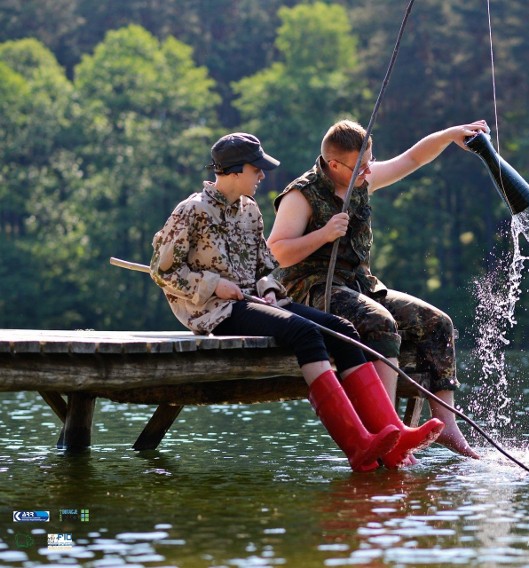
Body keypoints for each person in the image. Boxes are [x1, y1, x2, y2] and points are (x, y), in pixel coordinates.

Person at [150, 132, 444, 472]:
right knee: (304, 332)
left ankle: (391, 432)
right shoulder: (192, 211)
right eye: (255, 169)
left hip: (254, 301)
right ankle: (357, 444)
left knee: (342, 329)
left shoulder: (249, 212)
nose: (262, 176)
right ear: (233, 170)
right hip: (215, 311)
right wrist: (215, 285)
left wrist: (270, 289)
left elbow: (264, 268)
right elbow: (164, 272)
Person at [267, 119, 490, 460]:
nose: (369, 169)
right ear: (334, 164)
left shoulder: (361, 177)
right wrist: (323, 234)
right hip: (312, 289)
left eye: (370, 160)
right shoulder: (302, 194)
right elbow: (277, 250)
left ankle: (446, 425)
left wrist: (449, 135)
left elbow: (412, 159)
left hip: (360, 286)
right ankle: (385, 428)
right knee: (379, 322)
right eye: (361, 164)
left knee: (436, 322)